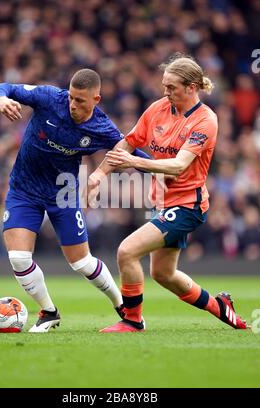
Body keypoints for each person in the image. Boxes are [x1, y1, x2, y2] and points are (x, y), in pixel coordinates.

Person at [87, 54, 248, 332]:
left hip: (188, 206)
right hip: (163, 204)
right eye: (164, 86)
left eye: (171, 87)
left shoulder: (205, 121)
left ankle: (132, 320)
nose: (165, 92)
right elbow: (127, 143)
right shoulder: (158, 108)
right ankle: (220, 307)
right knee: (163, 274)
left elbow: (177, 166)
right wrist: (99, 174)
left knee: (126, 252)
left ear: (192, 87)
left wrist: (135, 162)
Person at [0, 68, 150, 332]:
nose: (73, 104)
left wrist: (167, 170)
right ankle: (49, 311)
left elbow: (132, 155)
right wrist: (1, 100)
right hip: (24, 189)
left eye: (80, 101)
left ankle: (122, 305)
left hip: (62, 195)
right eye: (72, 98)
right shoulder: (49, 97)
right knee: (19, 257)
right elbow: (3, 87)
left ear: (96, 100)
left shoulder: (102, 128)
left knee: (81, 262)